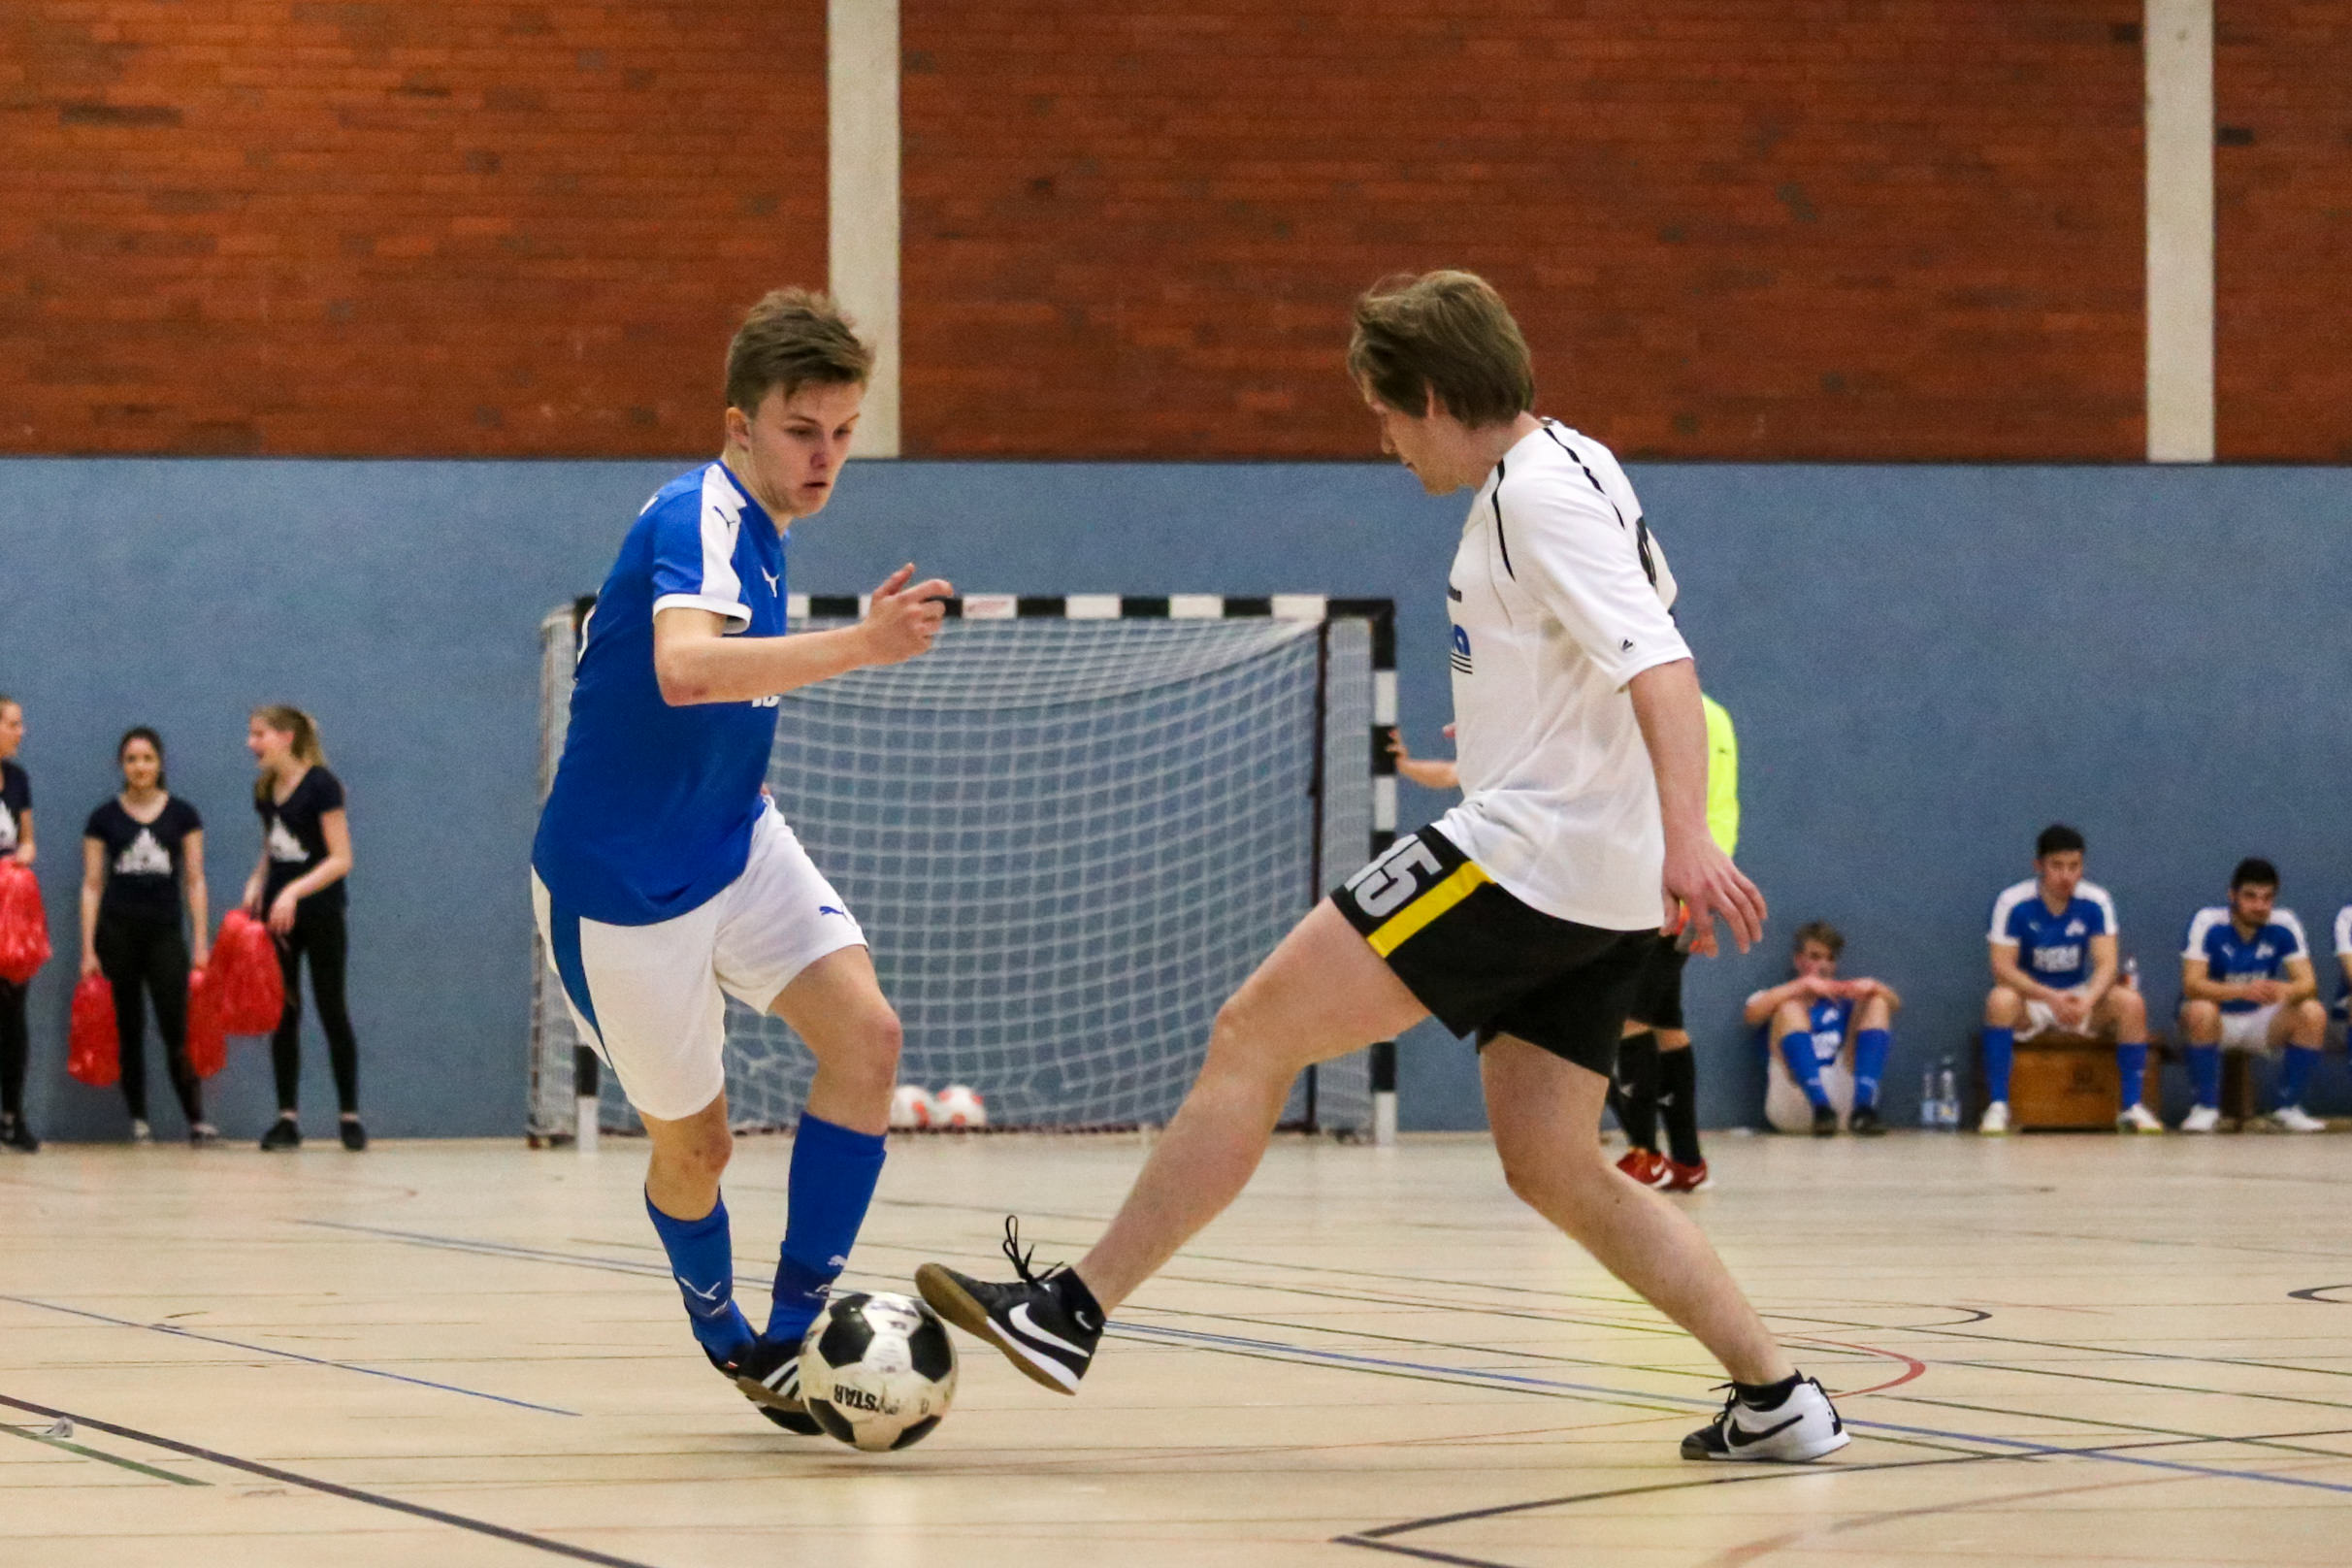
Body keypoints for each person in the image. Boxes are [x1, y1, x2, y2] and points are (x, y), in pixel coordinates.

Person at [917, 271, 1848, 1465]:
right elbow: (1595, 662)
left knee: (1254, 1030)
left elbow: (1660, 663)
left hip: (1529, 857)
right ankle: (1778, 1395)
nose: (1385, 442)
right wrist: (1539, 754)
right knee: (1554, 1164)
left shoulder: (1534, 498)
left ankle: (1072, 1309)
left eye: (1385, 414)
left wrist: (1688, 835)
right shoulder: (1579, 459)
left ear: (1434, 397)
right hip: (1597, 882)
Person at [530, 287, 951, 1432]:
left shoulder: (764, 529)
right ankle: (726, 1332)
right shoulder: (698, 516)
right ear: (739, 426)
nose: (825, 456)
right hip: (621, 890)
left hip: (734, 835)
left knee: (867, 1037)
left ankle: (802, 1327)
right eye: (801, 430)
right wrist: (865, 644)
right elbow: (684, 670)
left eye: (843, 432)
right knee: (699, 1146)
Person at [1612, 691, 1739, 1192]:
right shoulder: (1713, 711)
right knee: (1666, 1020)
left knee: (1629, 1015)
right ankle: (1687, 1160)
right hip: (1700, 874)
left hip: (1665, 882)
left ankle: (1645, 1154)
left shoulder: (1657, 707)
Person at [81, 728, 214, 1144]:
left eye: (147, 759)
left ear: (160, 763)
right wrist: (87, 949)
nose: (140, 767)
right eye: (132, 759)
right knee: (128, 1027)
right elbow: (92, 885)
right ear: (121, 766)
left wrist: (201, 942)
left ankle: (196, 1120)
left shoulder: (183, 815)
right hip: (117, 935)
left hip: (165, 935)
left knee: (176, 1027)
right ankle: (139, 1120)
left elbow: (195, 881)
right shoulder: (103, 818)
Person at [1979, 825, 2156, 1135]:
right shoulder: (2012, 902)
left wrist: (2086, 1001)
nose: (2066, 876)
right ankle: (1998, 1106)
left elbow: (2107, 964)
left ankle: (2131, 1107)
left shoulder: (2096, 900)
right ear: (2038, 866)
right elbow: (2001, 968)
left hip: (2077, 996)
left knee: (2131, 1003)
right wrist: (2049, 997)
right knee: (1999, 999)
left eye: (2074, 866)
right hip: (2033, 998)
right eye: (2057, 866)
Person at [245, 706, 364, 1151]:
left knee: (331, 1007)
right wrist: (258, 880)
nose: (251, 743)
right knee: (284, 1013)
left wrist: (294, 891)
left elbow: (341, 858)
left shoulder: (321, 785)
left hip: (320, 911)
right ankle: (287, 1119)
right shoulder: (264, 788)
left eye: (259, 734)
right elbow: (273, 845)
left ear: (286, 737)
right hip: (279, 917)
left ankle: (349, 1116)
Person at [2177, 859, 2325, 1133]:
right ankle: (2205, 1108)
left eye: (2267, 898)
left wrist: (2285, 990)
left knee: (2312, 1012)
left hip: (2261, 1021)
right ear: (2232, 895)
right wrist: (2242, 990)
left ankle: (2287, 1108)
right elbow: (2192, 984)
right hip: (2218, 1020)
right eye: (2251, 896)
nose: (2260, 905)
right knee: (2199, 1009)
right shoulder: (2208, 922)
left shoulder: (2284, 923)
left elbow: (2308, 984)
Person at [1746, 922, 1900, 1136]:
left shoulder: (1846, 1001)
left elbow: (1894, 1004)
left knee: (1877, 1001)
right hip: (1793, 1106)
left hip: (1844, 1109)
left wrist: (1874, 986)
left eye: (1830, 958)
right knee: (1789, 1007)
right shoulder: (1774, 997)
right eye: (1815, 957)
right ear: (1798, 960)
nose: (1824, 965)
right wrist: (1803, 986)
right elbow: (1751, 1015)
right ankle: (1820, 1106)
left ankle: (1864, 1109)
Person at [0, 695, 39, 1152]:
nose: (20, 731)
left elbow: (27, 840)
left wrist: (23, 856)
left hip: (9, 913)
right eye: (12, 723)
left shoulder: (17, 779)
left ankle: (13, 1114)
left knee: (13, 1013)